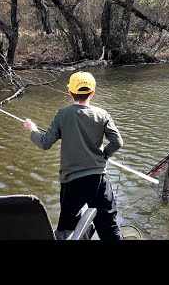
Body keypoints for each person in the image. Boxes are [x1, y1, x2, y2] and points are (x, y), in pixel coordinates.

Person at [23, 71, 124, 240]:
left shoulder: (62, 114)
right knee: (109, 227)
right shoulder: (102, 114)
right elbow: (117, 142)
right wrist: (104, 155)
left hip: (72, 183)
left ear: (70, 92)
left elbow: (45, 143)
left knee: (68, 229)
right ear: (92, 93)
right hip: (98, 180)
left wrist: (32, 128)